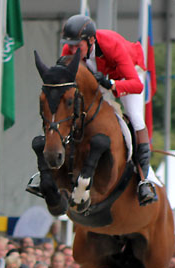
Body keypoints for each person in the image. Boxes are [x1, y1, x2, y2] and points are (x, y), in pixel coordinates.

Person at [59, 14, 156, 205]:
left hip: (126, 76)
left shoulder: (112, 45)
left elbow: (137, 85)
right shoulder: (69, 49)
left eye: (78, 45)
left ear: (91, 40)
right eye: (70, 45)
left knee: (136, 118)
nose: (72, 50)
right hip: (99, 78)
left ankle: (144, 180)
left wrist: (111, 84)